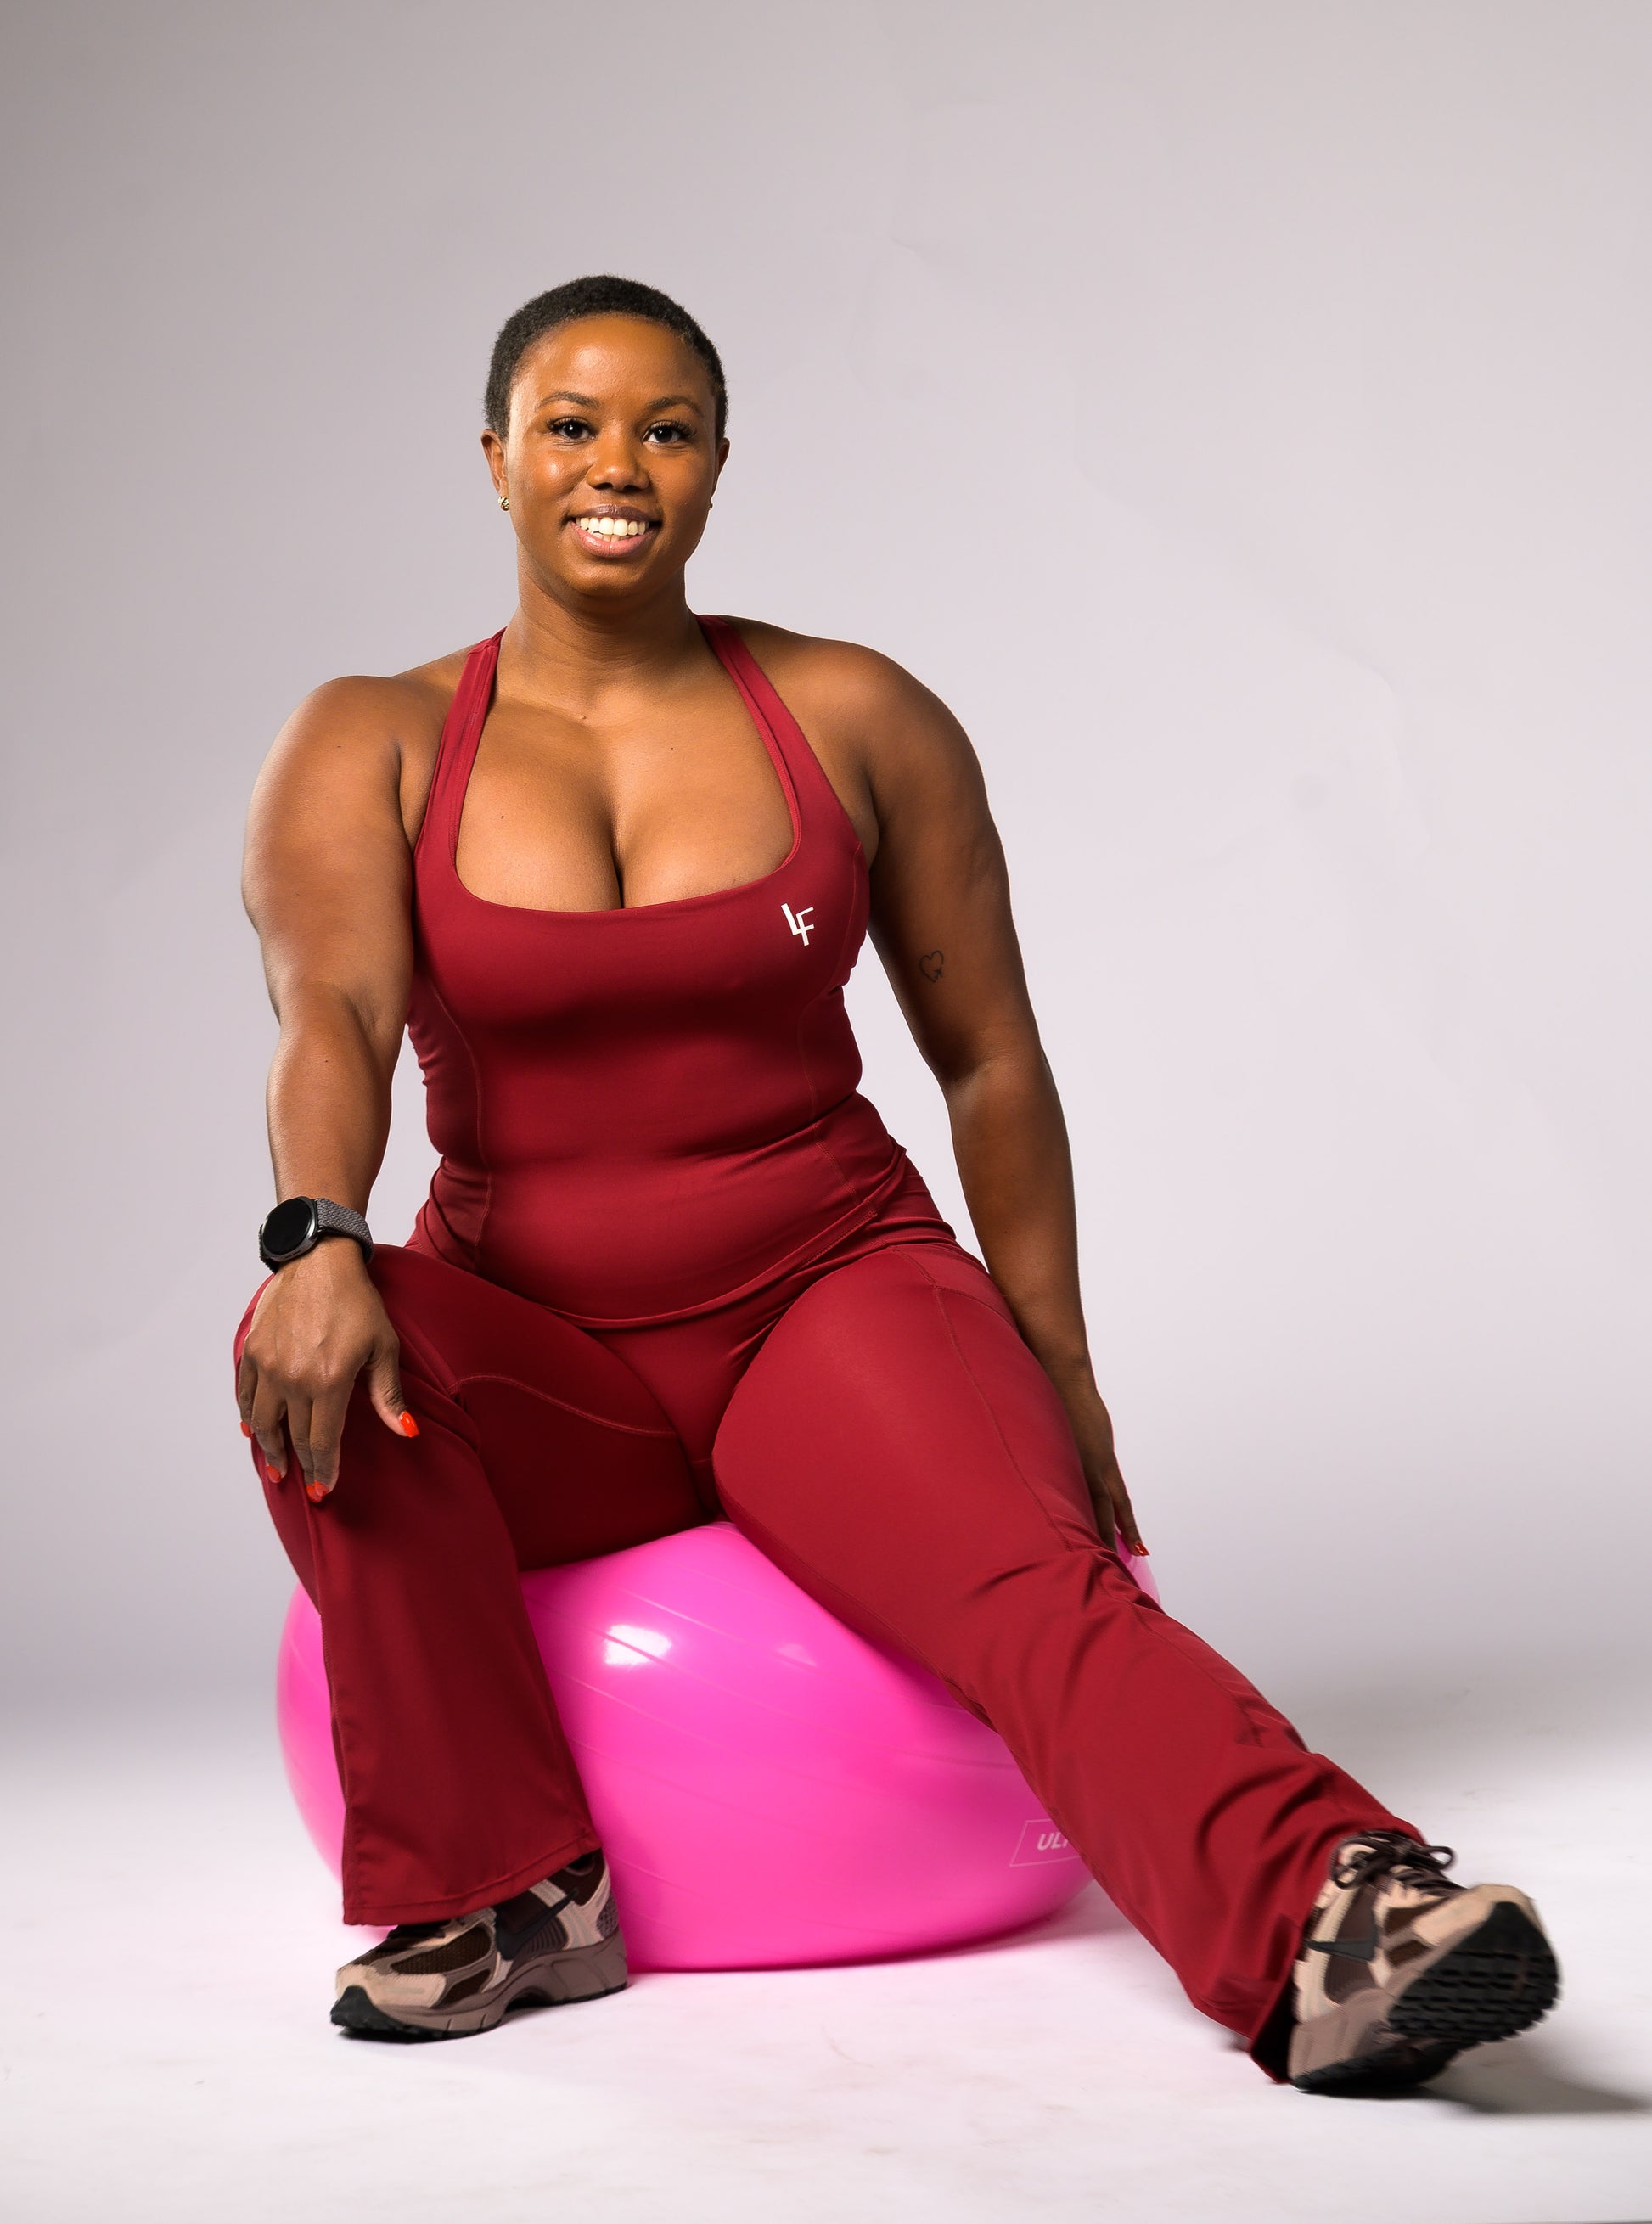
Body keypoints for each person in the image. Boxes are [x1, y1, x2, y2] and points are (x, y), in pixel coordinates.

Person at [234, 274, 1558, 2095]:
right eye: (571, 425)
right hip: (543, 1347)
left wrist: (1058, 1362)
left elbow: (988, 1057)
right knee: (313, 1350)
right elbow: (332, 1012)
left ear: (716, 463)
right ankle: (507, 1894)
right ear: (494, 458)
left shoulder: (853, 713)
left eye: (665, 429)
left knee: (1025, 1579)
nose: (617, 465)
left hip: (822, 1288)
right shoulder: (371, 735)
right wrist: (314, 1236)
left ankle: (1336, 1912)